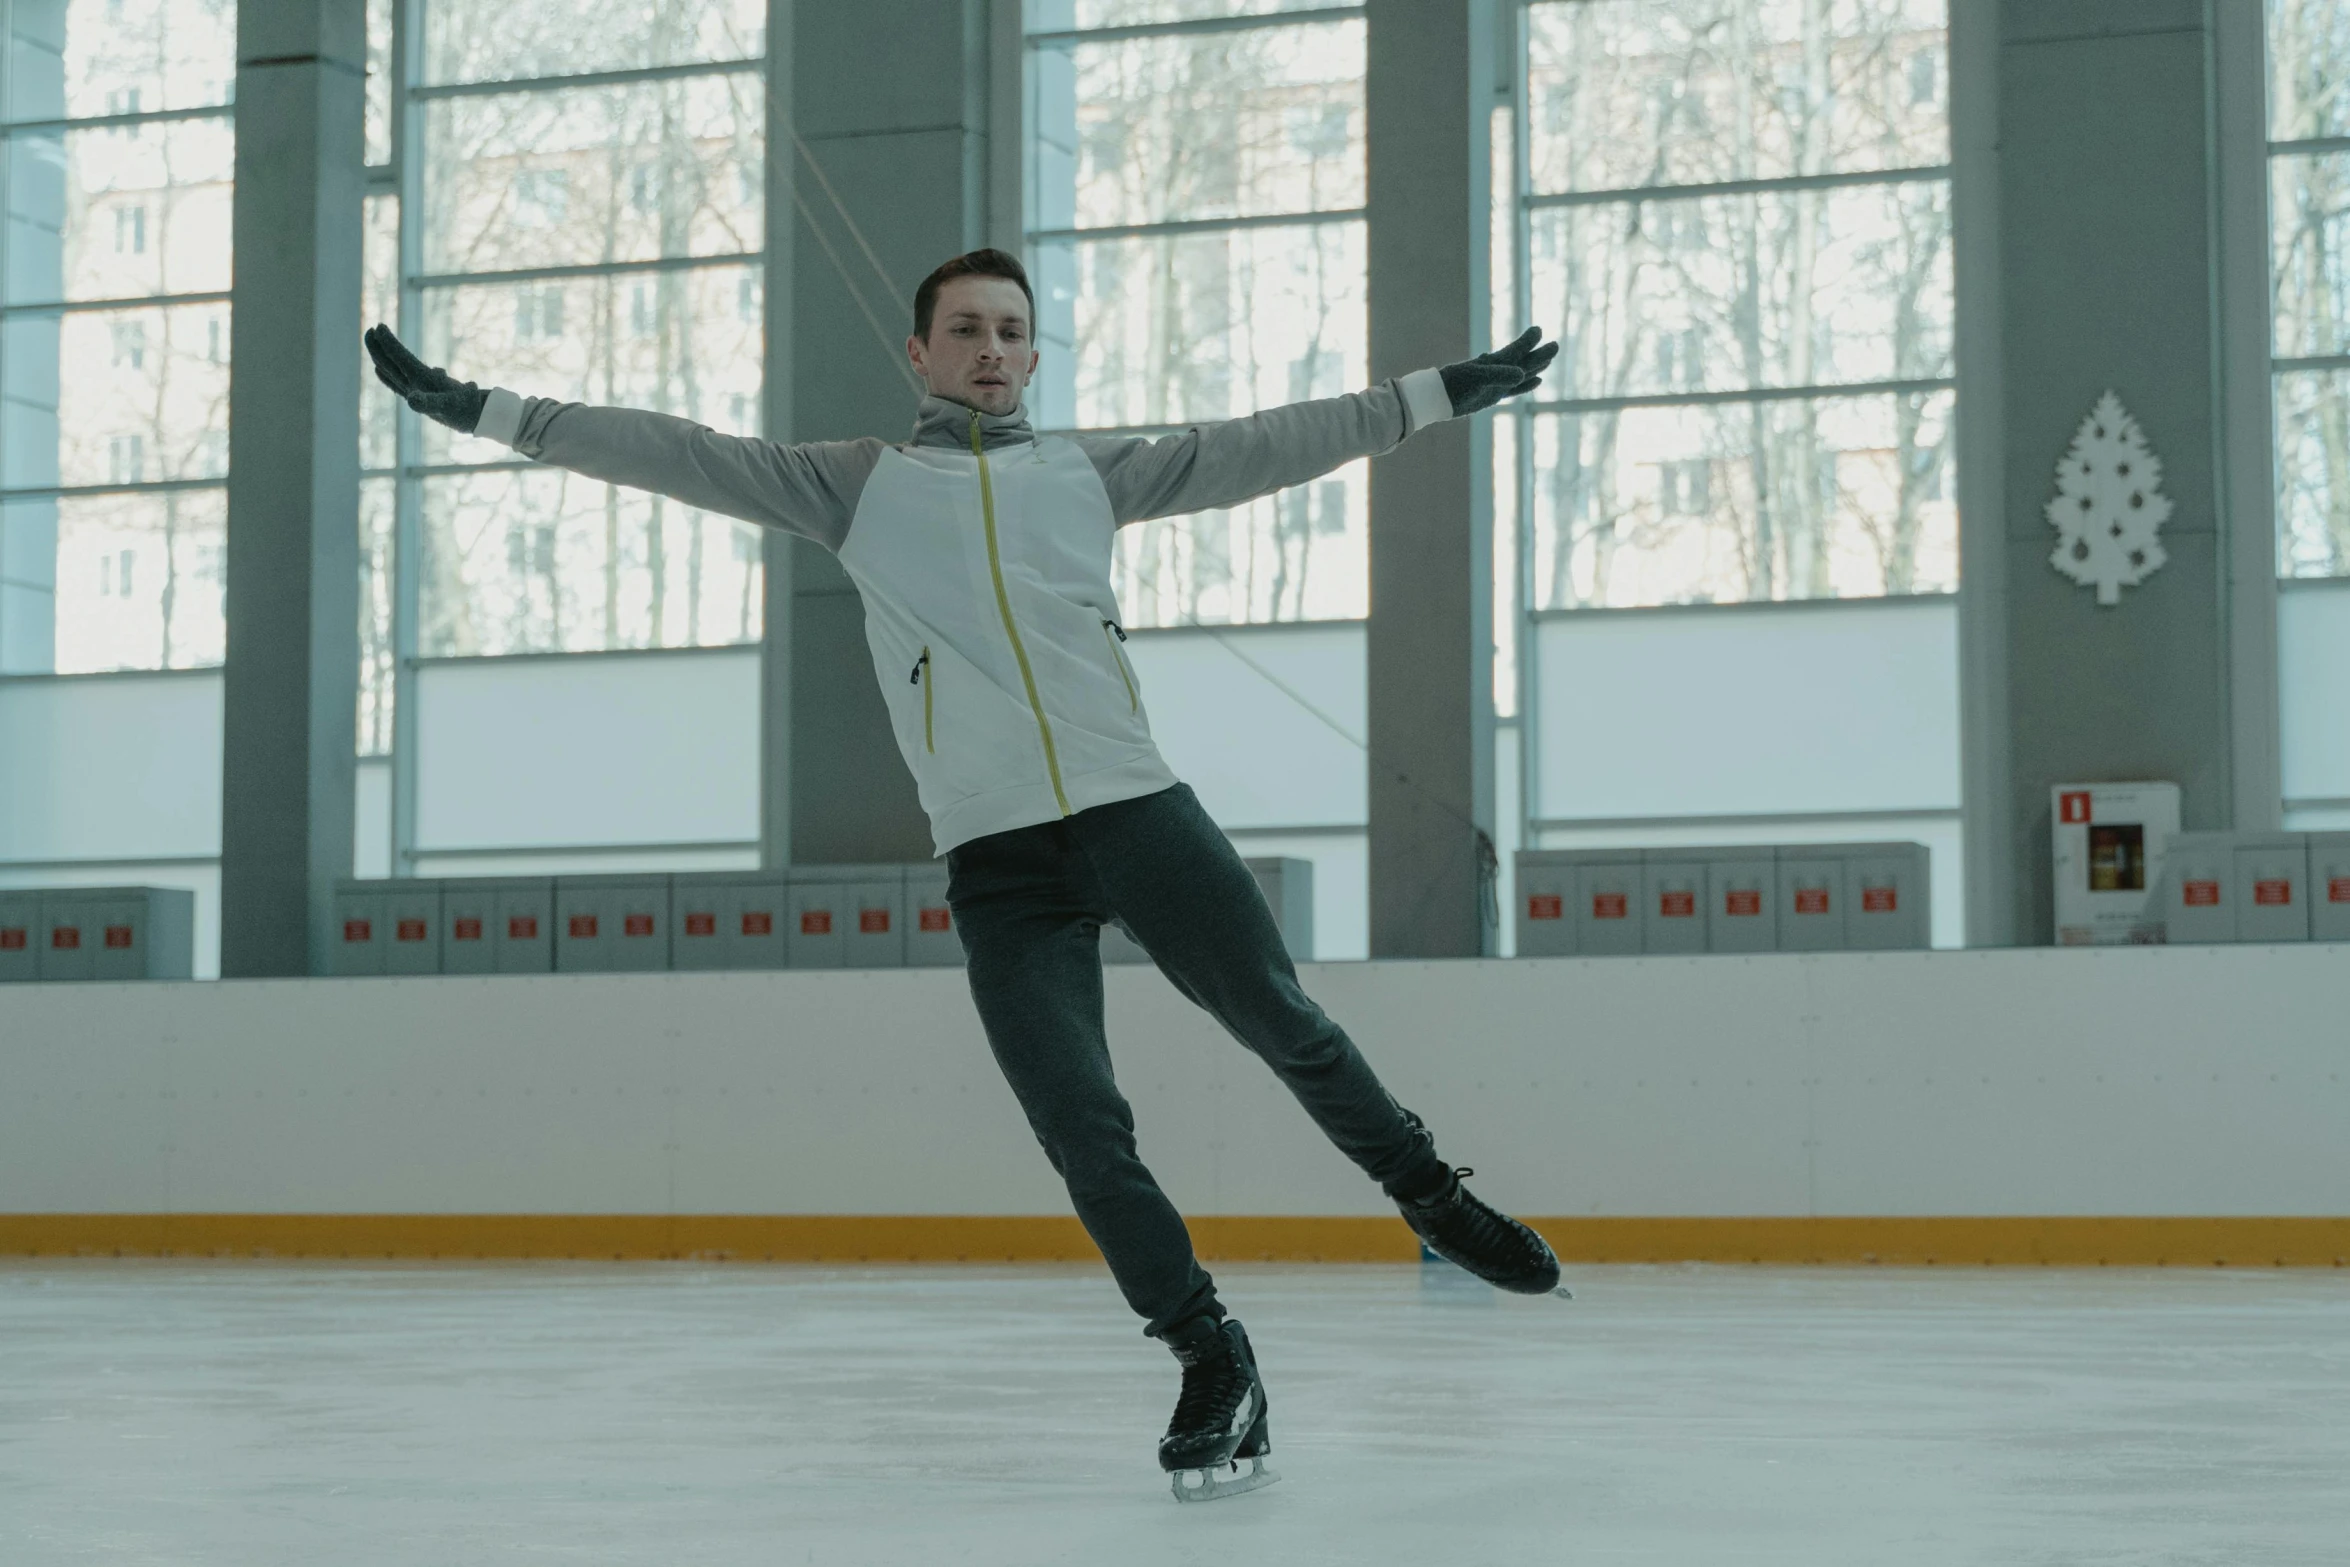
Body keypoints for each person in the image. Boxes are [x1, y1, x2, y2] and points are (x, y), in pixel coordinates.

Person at [364, 248, 1563, 1504]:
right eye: (966, 330)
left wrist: (1433, 393)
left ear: (1034, 354)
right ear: (920, 354)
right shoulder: (853, 487)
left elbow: (1272, 442)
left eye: (1011, 331)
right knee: (1080, 1128)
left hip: (1135, 806)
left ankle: (1432, 1198)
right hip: (996, 858)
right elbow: (673, 450)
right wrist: (484, 412)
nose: (992, 350)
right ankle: (1210, 1352)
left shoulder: (1091, 473)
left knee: (1285, 1023)